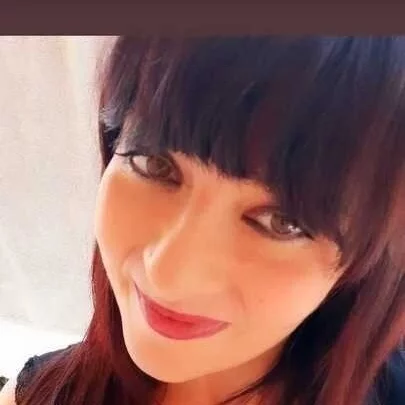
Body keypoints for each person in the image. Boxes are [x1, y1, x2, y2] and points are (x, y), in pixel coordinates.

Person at [1, 36, 405, 405]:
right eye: (153, 164)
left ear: (367, 258)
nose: (168, 275)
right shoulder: (36, 396)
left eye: (281, 223)